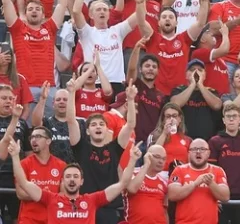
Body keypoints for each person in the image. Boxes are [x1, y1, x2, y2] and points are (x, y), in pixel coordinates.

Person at [9, 140, 140, 224]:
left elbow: (122, 184)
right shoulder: (50, 199)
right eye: (68, 176)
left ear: (81, 181)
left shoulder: (92, 200)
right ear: (62, 181)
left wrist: (133, 159)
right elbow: (24, 183)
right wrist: (15, 156)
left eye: (75, 176)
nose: (72, 179)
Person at [65, 76, 137, 224]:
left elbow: (130, 125)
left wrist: (130, 100)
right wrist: (71, 93)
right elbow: (71, 120)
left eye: (101, 124)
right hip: (85, 207)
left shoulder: (115, 148)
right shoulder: (81, 147)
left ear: (106, 129)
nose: (98, 127)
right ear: (87, 131)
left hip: (110, 208)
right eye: (93, 125)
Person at [207, 102, 240, 223]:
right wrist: (214, 195)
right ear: (223, 120)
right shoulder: (215, 141)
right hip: (222, 195)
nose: (231, 119)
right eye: (228, 116)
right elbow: (211, 169)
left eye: (234, 116)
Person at [168, 138, 230, 223]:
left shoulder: (217, 170)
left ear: (208, 153)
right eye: (194, 149)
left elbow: (225, 197)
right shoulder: (179, 170)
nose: (198, 152)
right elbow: (172, 195)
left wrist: (211, 183)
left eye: (202, 149)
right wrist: (195, 183)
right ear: (189, 153)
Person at [169, 59, 223, 140]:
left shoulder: (212, 91)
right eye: (192, 70)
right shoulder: (179, 90)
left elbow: (217, 105)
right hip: (184, 139)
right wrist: (193, 84)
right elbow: (175, 104)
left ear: (204, 75)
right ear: (186, 75)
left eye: (200, 70)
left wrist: (200, 84)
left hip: (206, 140)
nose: (196, 72)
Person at [124, 145, 169, 223]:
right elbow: (132, 189)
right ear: (147, 156)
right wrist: (146, 165)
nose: (161, 161)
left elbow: (164, 211)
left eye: (164, 159)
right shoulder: (132, 173)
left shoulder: (164, 182)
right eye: (157, 157)